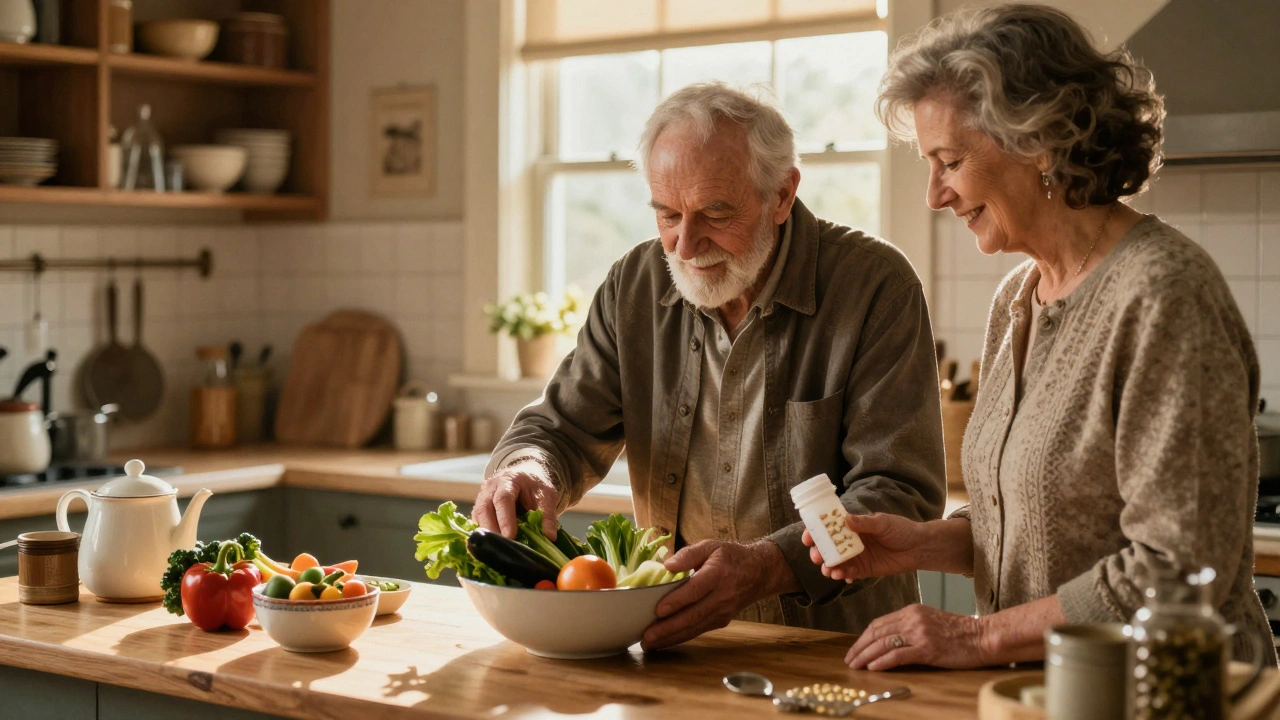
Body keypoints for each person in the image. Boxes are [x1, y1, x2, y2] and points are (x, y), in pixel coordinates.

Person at [806, 3, 1277, 669]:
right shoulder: (1018, 301)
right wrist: (922, 544)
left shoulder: (1164, 295)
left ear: (1040, 141)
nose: (933, 195)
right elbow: (1042, 522)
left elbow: (1177, 570)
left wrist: (978, 636)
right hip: (1042, 696)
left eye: (949, 161)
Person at [472, 82, 947, 650]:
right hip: (678, 642)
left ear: (782, 194)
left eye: (714, 213)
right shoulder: (636, 284)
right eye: (667, 214)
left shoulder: (875, 286)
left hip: (837, 647)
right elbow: (562, 429)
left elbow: (898, 493)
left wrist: (770, 564)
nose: (685, 245)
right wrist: (529, 467)